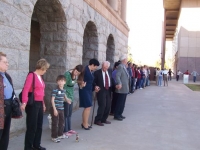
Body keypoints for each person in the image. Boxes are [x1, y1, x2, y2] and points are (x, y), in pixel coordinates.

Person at [21, 58, 50, 150]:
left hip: (39, 103)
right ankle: (28, 147)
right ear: (41, 68)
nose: (45, 71)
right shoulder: (31, 75)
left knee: (39, 125)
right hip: (32, 104)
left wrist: (44, 104)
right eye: (45, 69)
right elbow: (26, 89)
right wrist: (24, 102)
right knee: (32, 126)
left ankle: (36, 144)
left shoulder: (40, 77)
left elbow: (42, 92)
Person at [78, 58, 100, 130]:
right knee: (87, 107)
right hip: (84, 90)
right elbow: (80, 79)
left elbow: (91, 82)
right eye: (96, 66)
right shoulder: (84, 70)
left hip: (89, 90)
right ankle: (84, 124)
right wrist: (81, 84)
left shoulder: (90, 71)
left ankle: (85, 122)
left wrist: (95, 87)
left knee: (88, 107)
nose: (96, 68)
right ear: (92, 65)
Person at [0, 52, 15, 150]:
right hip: (1, 108)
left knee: (5, 133)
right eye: (5, 62)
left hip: (8, 107)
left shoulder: (7, 75)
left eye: (7, 62)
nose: (7, 64)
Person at [63, 65, 83, 136]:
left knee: (69, 113)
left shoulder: (75, 76)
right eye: (76, 71)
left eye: (78, 73)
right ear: (74, 69)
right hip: (66, 96)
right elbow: (63, 87)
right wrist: (66, 98)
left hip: (71, 95)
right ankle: (65, 130)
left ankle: (69, 128)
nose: (76, 74)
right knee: (66, 114)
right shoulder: (67, 74)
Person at [50, 75, 71, 143]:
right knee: (55, 123)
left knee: (62, 122)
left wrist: (67, 100)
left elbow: (64, 96)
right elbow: (52, 100)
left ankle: (60, 134)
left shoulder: (64, 90)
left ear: (65, 82)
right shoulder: (55, 90)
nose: (60, 82)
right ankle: (54, 137)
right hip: (55, 108)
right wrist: (54, 109)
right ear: (57, 82)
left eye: (62, 81)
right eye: (59, 81)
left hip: (61, 108)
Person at [93, 61, 113, 126]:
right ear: (102, 66)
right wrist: (95, 86)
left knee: (108, 105)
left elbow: (111, 80)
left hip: (108, 90)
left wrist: (115, 85)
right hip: (101, 90)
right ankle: (97, 120)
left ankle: (104, 119)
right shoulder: (97, 73)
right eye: (104, 67)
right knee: (102, 105)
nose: (105, 68)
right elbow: (93, 81)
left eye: (106, 67)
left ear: (108, 67)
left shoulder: (110, 71)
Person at [114, 54, 129, 121]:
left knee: (122, 102)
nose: (127, 60)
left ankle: (120, 114)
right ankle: (117, 115)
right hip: (121, 88)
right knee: (120, 102)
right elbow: (117, 76)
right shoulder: (120, 66)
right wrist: (119, 83)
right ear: (124, 60)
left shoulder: (124, 66)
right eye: (126, 59)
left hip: (125, 87)